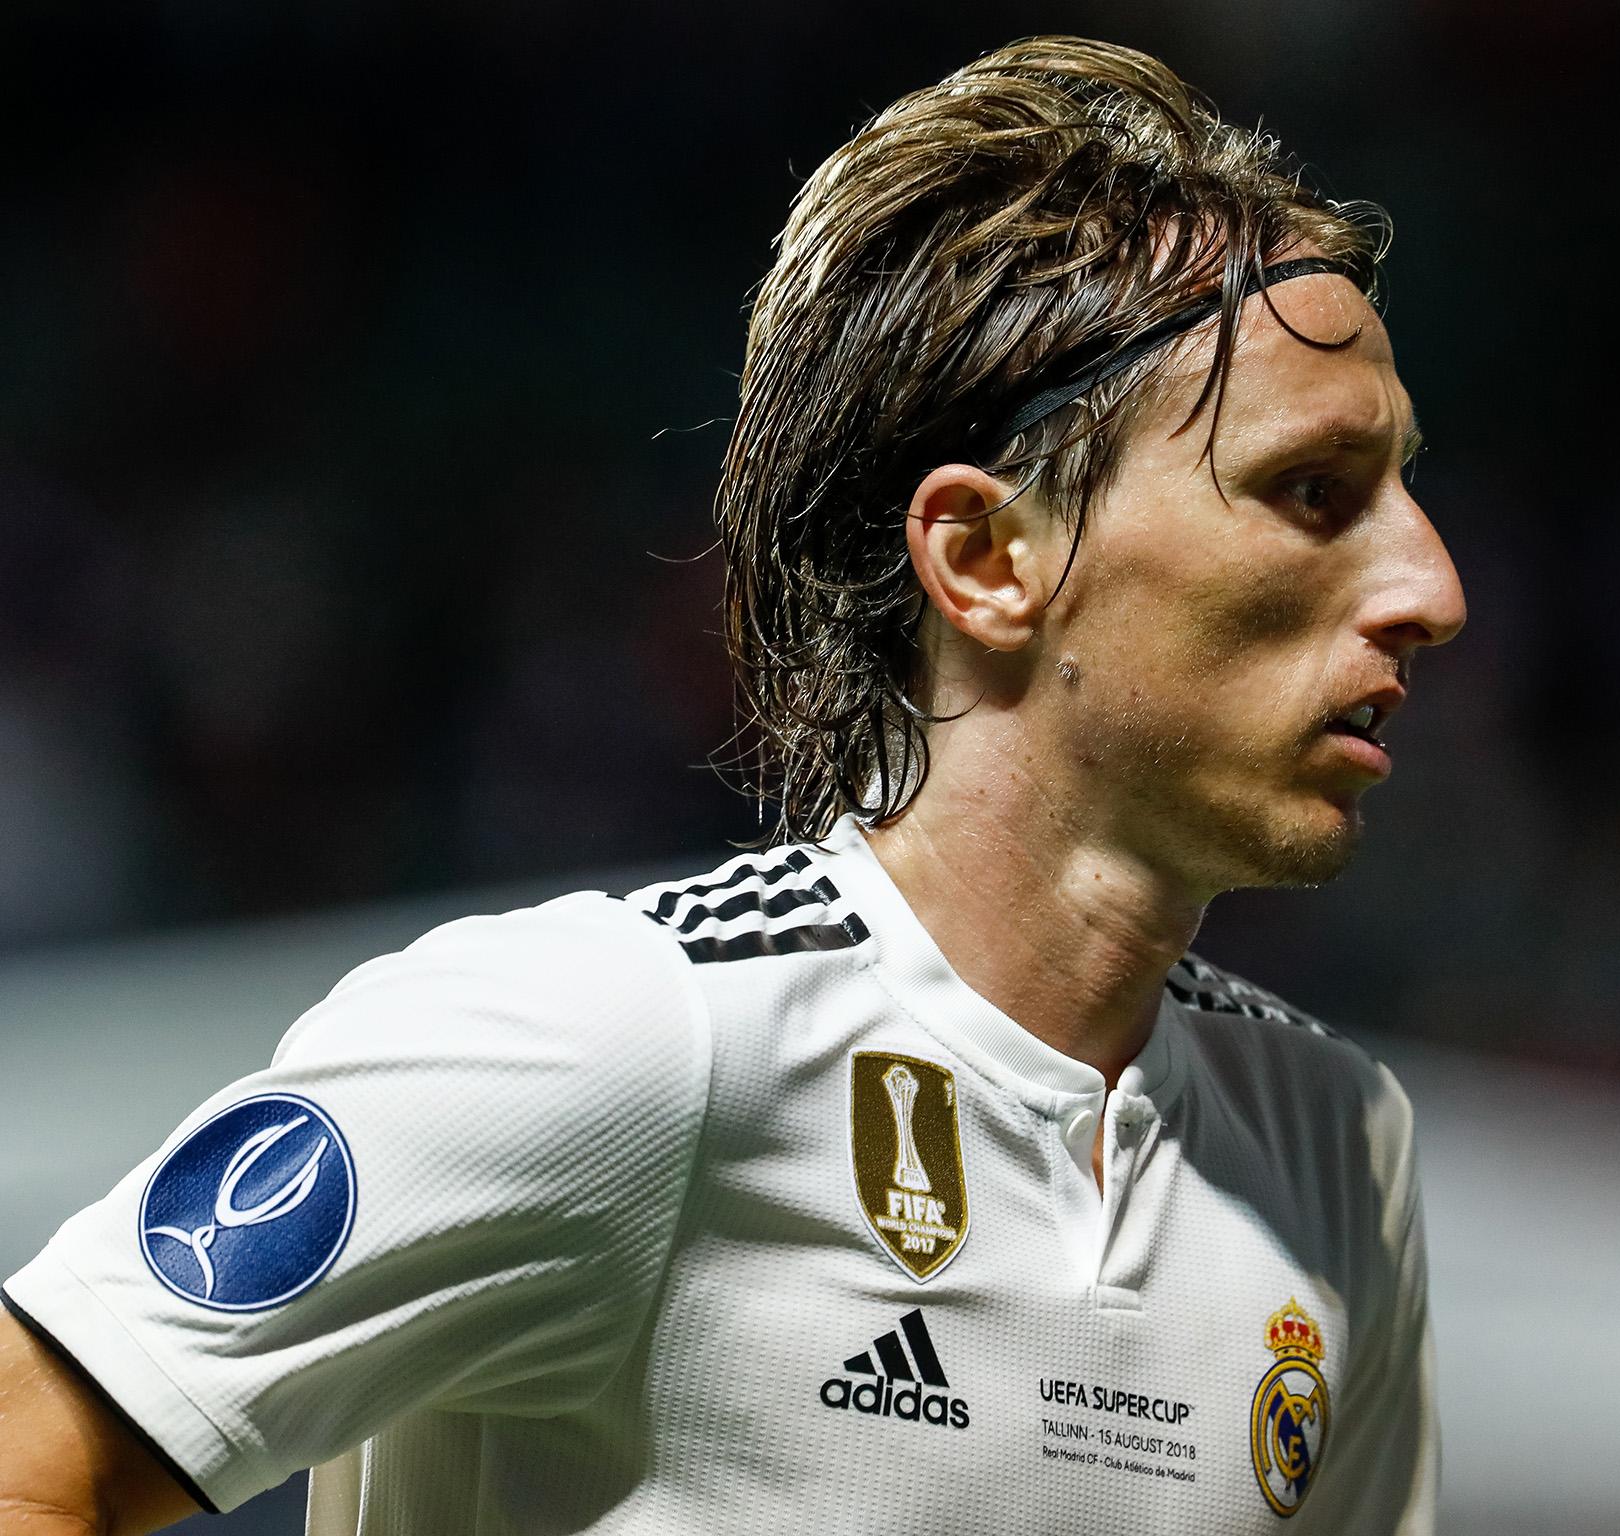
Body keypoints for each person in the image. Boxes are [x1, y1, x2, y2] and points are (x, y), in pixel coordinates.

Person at [0, 35, 1463, 1535]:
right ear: (986, 558)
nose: (1433, 588)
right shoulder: (621, 1038)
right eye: (1313, 492)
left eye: (1408, 491)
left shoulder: (1333, 1142)